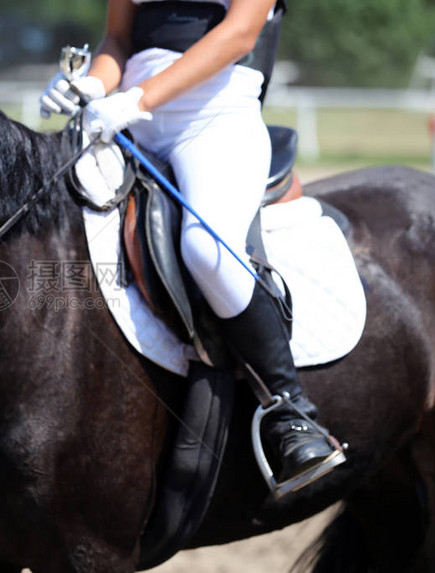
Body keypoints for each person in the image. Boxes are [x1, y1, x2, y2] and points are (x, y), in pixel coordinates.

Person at [40, 0, 345, 495]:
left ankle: (290, 409)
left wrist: (135, 98)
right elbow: (119, 39)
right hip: (128, 122)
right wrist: (92, 83)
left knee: (206, 249)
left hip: (212, 119)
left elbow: (240, 34)